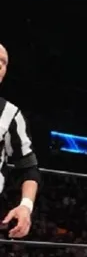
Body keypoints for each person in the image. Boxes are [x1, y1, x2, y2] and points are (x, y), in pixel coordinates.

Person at [0, 43, 41, 238]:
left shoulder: (10, 114)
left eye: (4, 62)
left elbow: (28, 168)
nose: (0, 65)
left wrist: (26, 206)